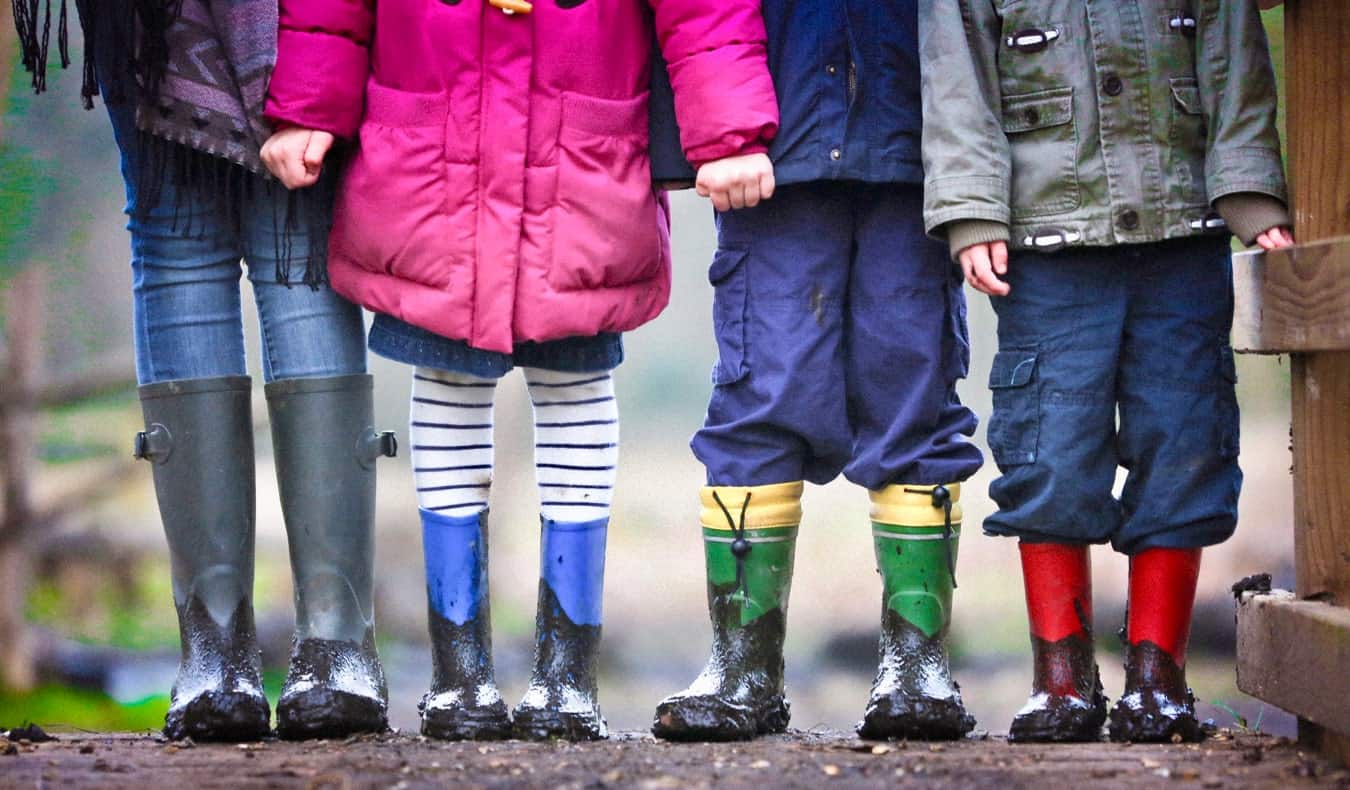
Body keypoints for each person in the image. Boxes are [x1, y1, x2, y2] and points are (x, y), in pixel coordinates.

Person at [260, 0, 779, 741]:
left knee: (573, 390)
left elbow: (706, 12)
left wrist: (728, 131)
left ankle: (567, 675)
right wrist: (311, 102)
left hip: (580, 160)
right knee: (447, 384)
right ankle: (458, 675)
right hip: (433, 158)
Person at [12, 0, 396, 741]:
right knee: (186, 239)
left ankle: (325, 641)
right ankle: (228, 650)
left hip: (288, 23)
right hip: (151, 26)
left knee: (286, 241)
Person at [920, 0, 1293, 743]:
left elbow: (1234, 54)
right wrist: (973, 212)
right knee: (1047, 451)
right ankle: (1060, 679)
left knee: (1184, 443)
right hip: (1044, 241)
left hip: (1185, 230)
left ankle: (1159, 677)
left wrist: (1250, 191)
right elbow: (956, 81)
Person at [647, 0, 986, 742]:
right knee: (761, 394)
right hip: (769, 149)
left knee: (916, 396)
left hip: (923, 146)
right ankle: (743, 665)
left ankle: (917, 659)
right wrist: (717, 127)